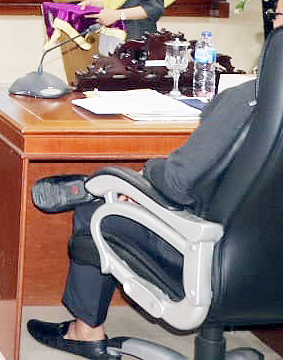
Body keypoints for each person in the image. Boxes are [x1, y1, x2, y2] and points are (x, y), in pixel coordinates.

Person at [26, 61, 263, 358]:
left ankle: (85, 332)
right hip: (267, 261)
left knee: (99, 207)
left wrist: (145, 177)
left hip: (207, 254)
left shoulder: (247, 98)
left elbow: (177, 182)